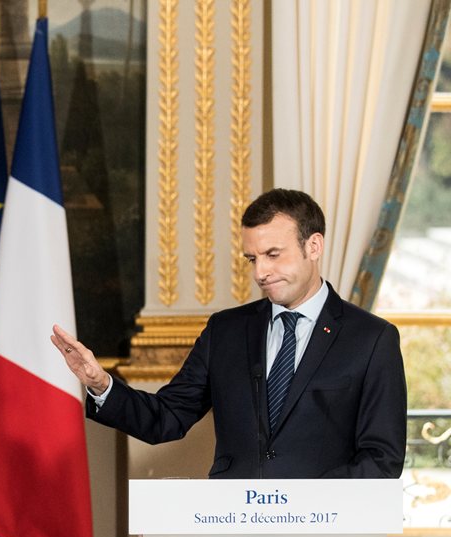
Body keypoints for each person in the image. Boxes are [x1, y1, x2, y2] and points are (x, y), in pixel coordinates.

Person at [52, 188, 407, 479]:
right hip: (232, 532)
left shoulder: (372, 340)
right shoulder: (226, 331)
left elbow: (381, 459)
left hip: (324, 536)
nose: (261, 273)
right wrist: (101, 385)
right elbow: (167, 417)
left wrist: (299, 504)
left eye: (273, 254)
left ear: (313, 246)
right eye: (253, 259)